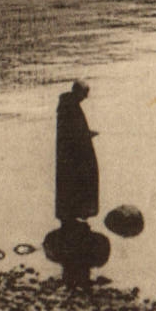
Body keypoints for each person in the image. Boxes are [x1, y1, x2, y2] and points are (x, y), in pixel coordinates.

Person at [55, 79, 99, 221]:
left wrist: (86, 133)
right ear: (78, 92)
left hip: (70, 154)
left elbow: (73, 129)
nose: (86, 97)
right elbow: (72, 133)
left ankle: (73, 212)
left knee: (74, 182)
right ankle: (78, 211)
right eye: (85, 94)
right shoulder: (70, 107)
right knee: (79, 180)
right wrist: (87, 135)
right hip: (73, 156)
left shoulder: (68, 105)